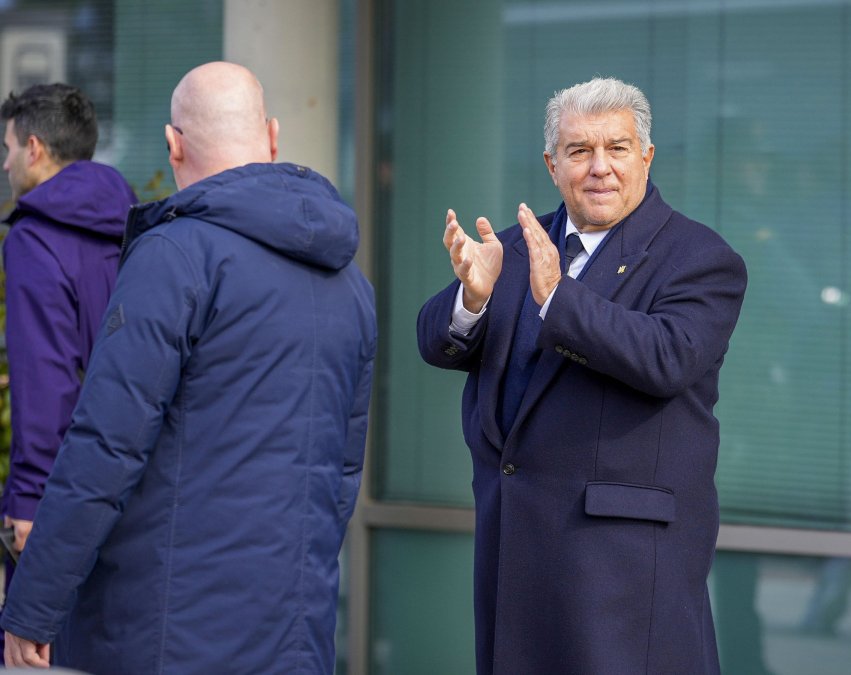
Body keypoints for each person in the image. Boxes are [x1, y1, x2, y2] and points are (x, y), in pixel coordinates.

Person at [0, 62, 376, 674]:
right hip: (293, 630)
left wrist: (32, 606)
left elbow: (104, 447)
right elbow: (340, 475)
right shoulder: (351, 284)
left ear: (174, 145)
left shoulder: (173, 258)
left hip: (163, 632)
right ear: (274, 137)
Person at [418, 77, 748, 674]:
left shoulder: (700, 258)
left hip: (622, 568)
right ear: (552, 165)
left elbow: (665, 357)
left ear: (645, 156)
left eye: (616, 148)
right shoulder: (517, 245)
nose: (600, 168)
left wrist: (556, 297)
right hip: (514, 545)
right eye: (579, 151)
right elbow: (433, 341)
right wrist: (473, 297)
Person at [0, 84, 136, 571]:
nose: (5, 164)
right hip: (133, 485)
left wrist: (29, 500)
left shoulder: (34, 238)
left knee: (29, 646)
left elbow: (46, 375)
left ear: (34, 148)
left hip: (64, 493)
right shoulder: (137, 226)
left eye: (8, 148)